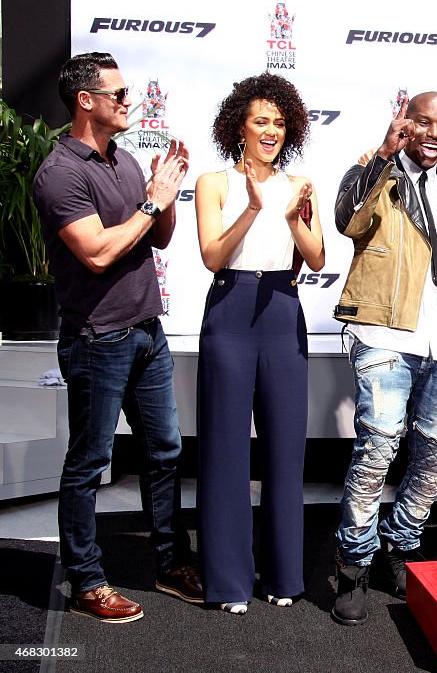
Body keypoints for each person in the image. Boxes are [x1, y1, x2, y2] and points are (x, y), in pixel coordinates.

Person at [32, 52, 200, 622]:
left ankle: (170, 561)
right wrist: (151, 202)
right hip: (96, 339)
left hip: (146, 331)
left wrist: (164, 194)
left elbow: (159, 239)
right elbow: (99, 252)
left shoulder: (124, 163)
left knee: (166, 450)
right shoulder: (59, 173)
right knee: (90, 461)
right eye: (119, 94)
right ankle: (86, 579)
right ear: (86, 101)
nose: (128, 102)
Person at [331, 92, 437, 625]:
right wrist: (385, 157)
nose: (434, 133)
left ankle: (400, 542)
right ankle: (352, 563)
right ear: (405, 123)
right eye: (424, 122)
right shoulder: (373, 170)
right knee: (377, 450)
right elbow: (348, 222)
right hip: (384, 331)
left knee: (436, 451)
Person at [194, 73, 324, 615]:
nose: (270, 131)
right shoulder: (214, 182)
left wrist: (294, 219)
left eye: (278, 122)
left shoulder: (299, 185)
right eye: (260, 122)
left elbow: (316, 259)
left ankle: (283, 576)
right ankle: (227, 582)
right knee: (225, 449)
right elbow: (210, 257)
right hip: (230, 312)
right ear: (239, 128)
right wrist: (250, 207)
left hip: (281, 310)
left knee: (285, 451)